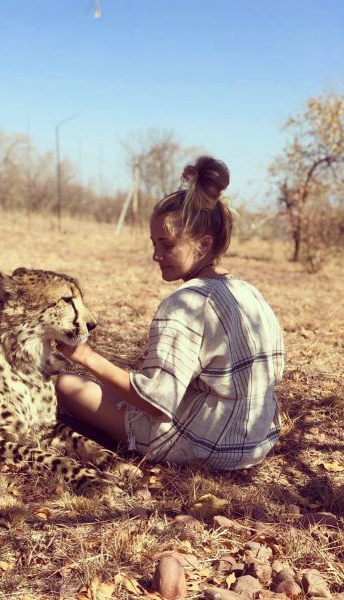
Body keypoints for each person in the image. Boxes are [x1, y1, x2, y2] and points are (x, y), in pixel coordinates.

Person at [55, 156, 284, 471]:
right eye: (153, 243)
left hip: (206, 445)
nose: (155, 255)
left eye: (166, 245)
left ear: (203, 245)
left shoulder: (185, 303)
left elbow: (158, 404)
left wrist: (86, 357)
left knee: (66, 385)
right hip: (255, 441)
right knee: (113, 385)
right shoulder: (250, 293)